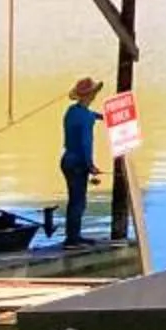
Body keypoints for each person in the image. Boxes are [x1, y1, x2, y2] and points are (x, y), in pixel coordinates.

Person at [60, 77, 102, 246]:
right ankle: (72, 239)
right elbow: (86, 143)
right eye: (93, 93)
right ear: (88, 95)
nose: (94, 96)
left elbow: (89, 114)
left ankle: (73, 236)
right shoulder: (85, 118)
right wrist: (90, 165)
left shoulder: (72, 111)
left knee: (74, 200)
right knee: (79, 202)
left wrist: (101, 116)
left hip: (67, 159)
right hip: (78, 163)